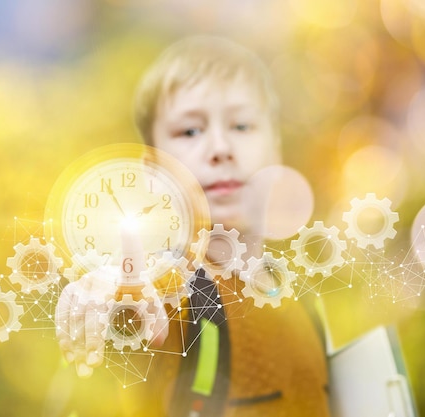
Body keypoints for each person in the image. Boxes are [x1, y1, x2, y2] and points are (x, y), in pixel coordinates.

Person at [53, 35, 330, 417]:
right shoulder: (170, 296)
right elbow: (137, 300)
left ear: (276, 149)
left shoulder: (299, 303)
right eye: (190, 131)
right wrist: (112, 298)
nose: (220, 147)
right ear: (153, 173)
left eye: (243, 125)